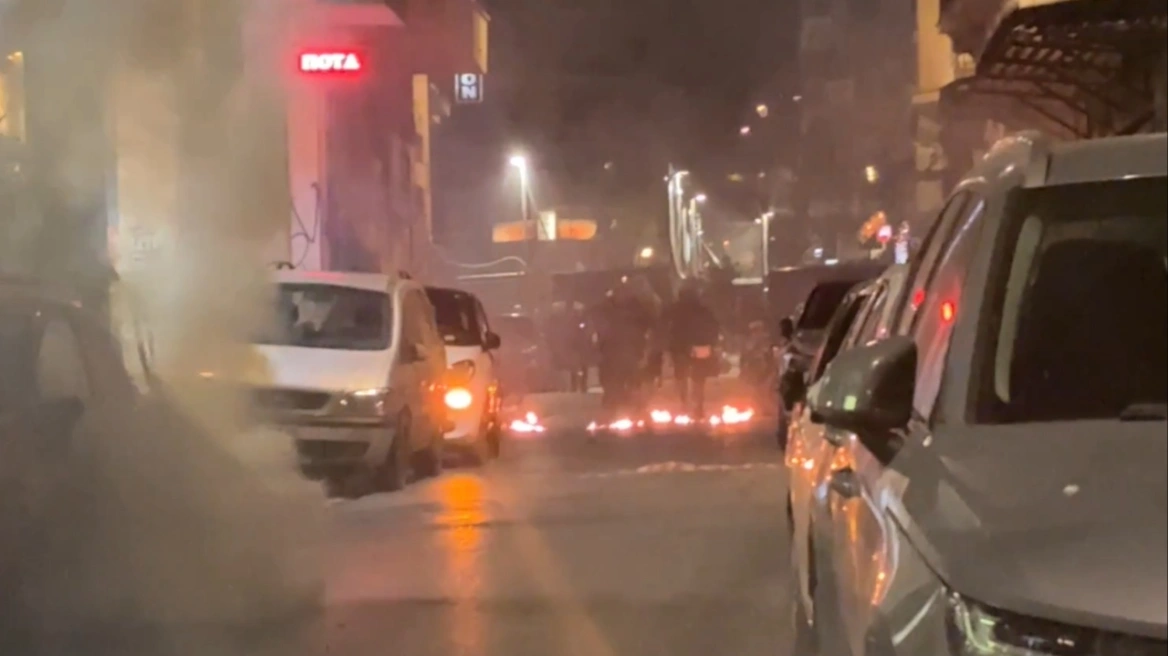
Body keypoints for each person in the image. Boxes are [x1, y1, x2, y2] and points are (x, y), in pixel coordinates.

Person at [663, 284, 720, 417]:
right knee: (698, 377)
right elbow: (713, 326)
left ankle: (685, 403)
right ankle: (698, 405)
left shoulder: (675, 309)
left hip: (679, 346)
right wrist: (712, 343)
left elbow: (666, 326)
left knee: (682, 375)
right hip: (698, 345)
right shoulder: (702, 309)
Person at [594, 285, 652, 415]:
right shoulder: (635, 308)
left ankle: (620, 403)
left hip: (620, 349)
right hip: (622, 349)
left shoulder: (610, 309)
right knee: (625, 376)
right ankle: (625, 403)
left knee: (621, 377)